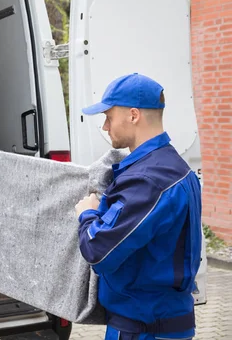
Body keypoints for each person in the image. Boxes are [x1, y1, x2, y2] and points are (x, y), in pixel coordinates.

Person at [75, 73, 202, 340]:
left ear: (133, 115)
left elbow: (99, 252)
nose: (106, 127)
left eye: (109, 117)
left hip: (144, 329)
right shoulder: (177, 169)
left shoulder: (148, 181)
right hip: (163, 323)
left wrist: (86, 214)